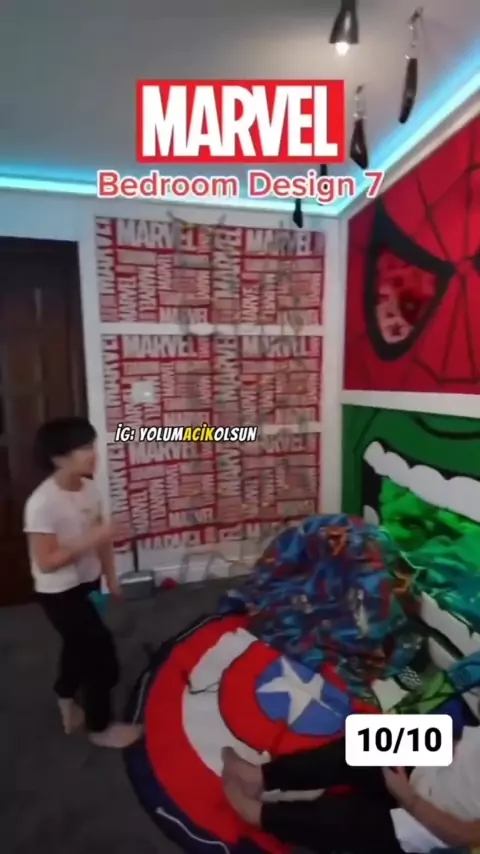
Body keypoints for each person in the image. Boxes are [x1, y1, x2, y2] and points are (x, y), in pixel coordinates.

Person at [24, 416, 143, 749]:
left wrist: (110, 577)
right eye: (83, 448)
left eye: (92, 445)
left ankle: (65, 694)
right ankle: (100, 727)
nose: (93, 453)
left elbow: (102, 540)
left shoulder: (90, 488)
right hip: (59, 593)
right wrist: (94, 537)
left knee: (77, 645)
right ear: (58, 457)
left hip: (88, 584)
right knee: (101, 658)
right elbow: (47, 562)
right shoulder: (42, 504)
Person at [222, 725, 480, 854]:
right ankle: (259, 777)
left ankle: (258, 814)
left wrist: (408, 797)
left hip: (435, 821)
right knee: (367, 740)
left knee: (345, 817)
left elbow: (463, 836)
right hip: (440, 765)